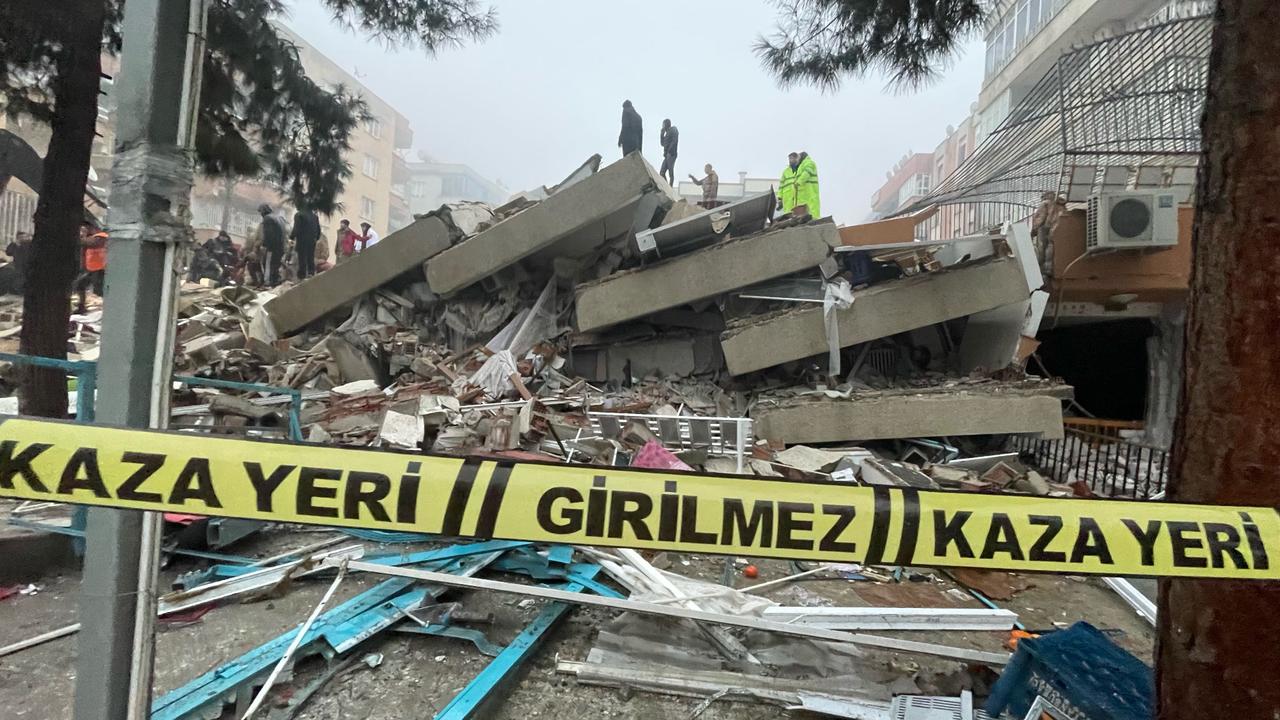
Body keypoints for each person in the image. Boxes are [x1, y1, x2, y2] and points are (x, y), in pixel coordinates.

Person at [73, 222, 108, 313]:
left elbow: (88, 242)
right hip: (90, 269)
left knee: (100, 291)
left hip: (99, 269)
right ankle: (81, 307)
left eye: (84, 229)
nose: (82, 231)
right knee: (80, 285)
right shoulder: (91, 237)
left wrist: (79, 237)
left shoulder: (101, 237)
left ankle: (109, 308)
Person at [779, 151, 821, 218]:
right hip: (794, 200)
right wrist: (780, 197)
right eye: (790, 159)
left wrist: (798, 182)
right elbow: (781, 185)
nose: (791, 160)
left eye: (794, 158)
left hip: (809, 195)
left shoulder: (809, 163)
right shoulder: (787, 171)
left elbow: (807, 173)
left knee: (811, 213)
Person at [256, 203, 286, 286]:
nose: (261, 214)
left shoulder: (268, 218)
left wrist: (264, 246)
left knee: (268, 265)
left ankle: (268, 283)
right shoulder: (279, 218)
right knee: (275, 266)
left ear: (263, 211)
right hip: (281, 247)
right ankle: (275, 282)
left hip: (273, 248)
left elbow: (269, 234)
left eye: (261, 212)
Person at [290, 205, 321, 280]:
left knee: (302, 258)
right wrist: (315, 238)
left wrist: (291, 237)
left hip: (302, 240)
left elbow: (296, 228)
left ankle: (302, 276)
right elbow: (318, 230)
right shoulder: (315, 216)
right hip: (312, 241)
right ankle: (311, 273)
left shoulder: (299, 215)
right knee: (310, 258)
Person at [659, 119, 679, 186]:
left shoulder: (673, 130)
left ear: (666, 124)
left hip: (671, 154)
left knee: (671, 172)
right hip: (667, 155)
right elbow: (662, 144)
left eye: (663, 124)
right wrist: (661, 134)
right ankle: (666, 187)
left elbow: (674, 141)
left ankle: (670, 187)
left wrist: (669, 151)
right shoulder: (667, 133)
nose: (662, 126)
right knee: (662, 172)